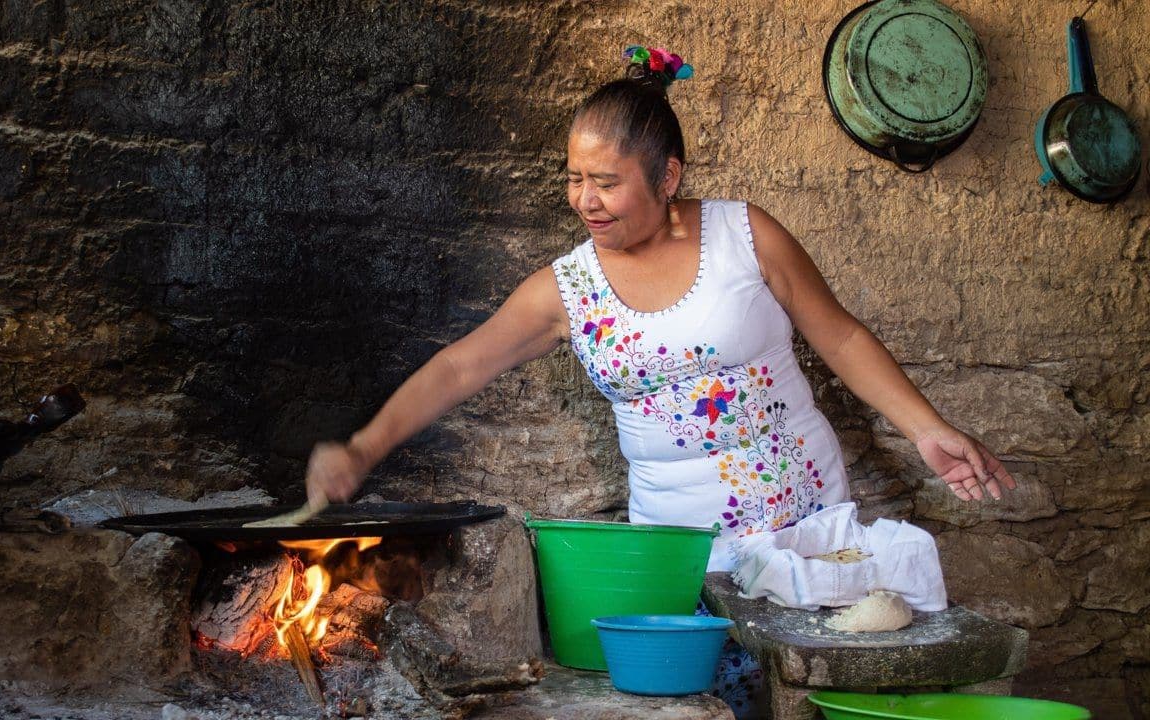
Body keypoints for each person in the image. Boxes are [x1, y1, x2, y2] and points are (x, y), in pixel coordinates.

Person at [303, 45, 1016, 716]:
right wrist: (364, 448)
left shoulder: (746, 235)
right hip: (682, 555)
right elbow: (461, 364)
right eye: (575, 179)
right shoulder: (569, 288)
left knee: (811, 694)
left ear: (667, 177)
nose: (586, 200)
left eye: (607, 182)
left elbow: (841, 336)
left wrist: (927, 429)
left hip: (802, 531)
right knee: (714, 704)